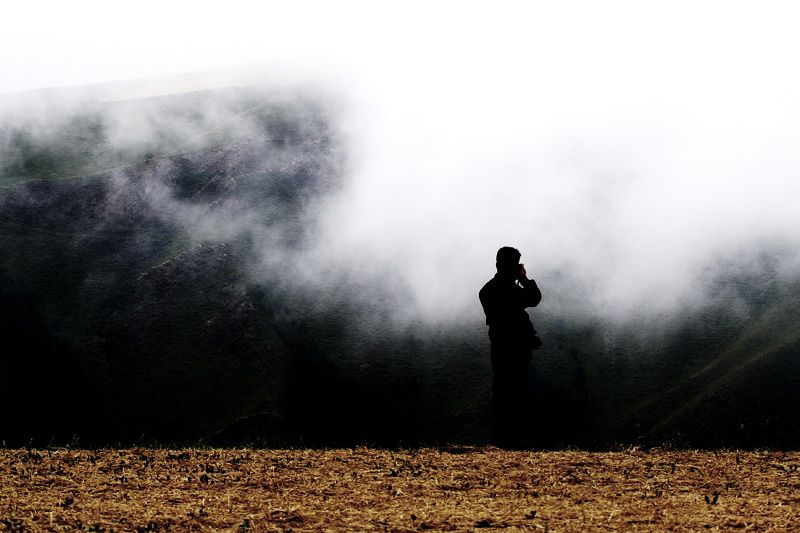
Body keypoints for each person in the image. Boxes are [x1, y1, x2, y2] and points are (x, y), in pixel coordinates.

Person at [478, 246, 542, 447]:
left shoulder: (487, 290)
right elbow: (534, 298)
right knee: (516, 393)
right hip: (516, 349)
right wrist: (523, 278)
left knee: (502, 392)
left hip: (500, 348)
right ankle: (511, 440)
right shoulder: (510, 290)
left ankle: (503, 438)